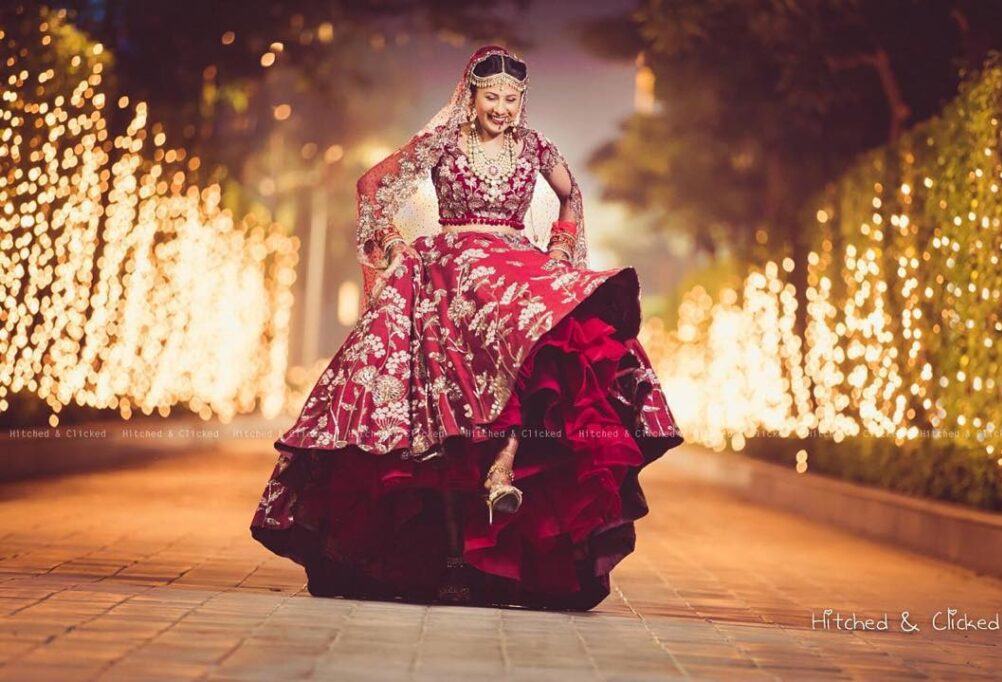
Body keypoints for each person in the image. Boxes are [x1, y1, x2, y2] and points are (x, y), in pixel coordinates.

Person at [250, 44, 683, 611]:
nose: (502, 108)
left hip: (512, 270)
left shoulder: (535, 147)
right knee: (443, 427)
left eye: (512, 98)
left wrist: (558, 252)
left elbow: (570, 195)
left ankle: (504, 469)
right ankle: (453, 556)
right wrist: (395, 245)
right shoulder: (441, 143)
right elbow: (372, 186)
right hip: (445, 275)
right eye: (492, 97)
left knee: (549, 353)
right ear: (470, 95)